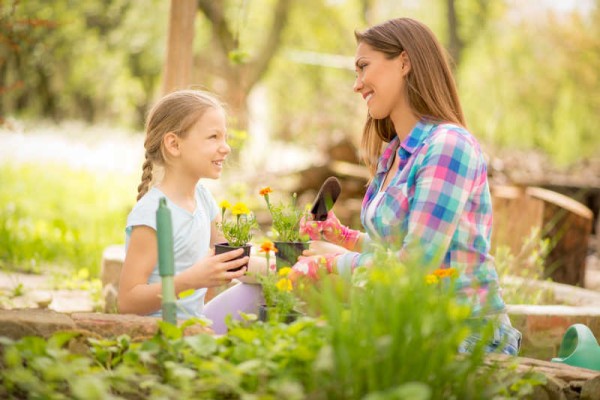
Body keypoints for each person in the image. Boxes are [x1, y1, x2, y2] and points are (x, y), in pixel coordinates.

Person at [296, 18, 521, 355]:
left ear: (404, 62)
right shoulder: (395, 154)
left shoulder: (448, 146)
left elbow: (415, 268)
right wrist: (346, 238)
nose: (357, 85)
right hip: (410, 325)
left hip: (466, 337)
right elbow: (402, 250)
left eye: (363, 67)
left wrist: (333, 263)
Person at [118, 89, 264, 334]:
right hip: (159, 333)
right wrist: (190, 280)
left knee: (264, 287)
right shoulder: (153, 213)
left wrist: (292, 267)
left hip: (197, 325)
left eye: (225, 137)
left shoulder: (203, 198)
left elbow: (235, 260)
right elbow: (127, 302)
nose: (226, 147)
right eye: (213, 137)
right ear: (174, 144)